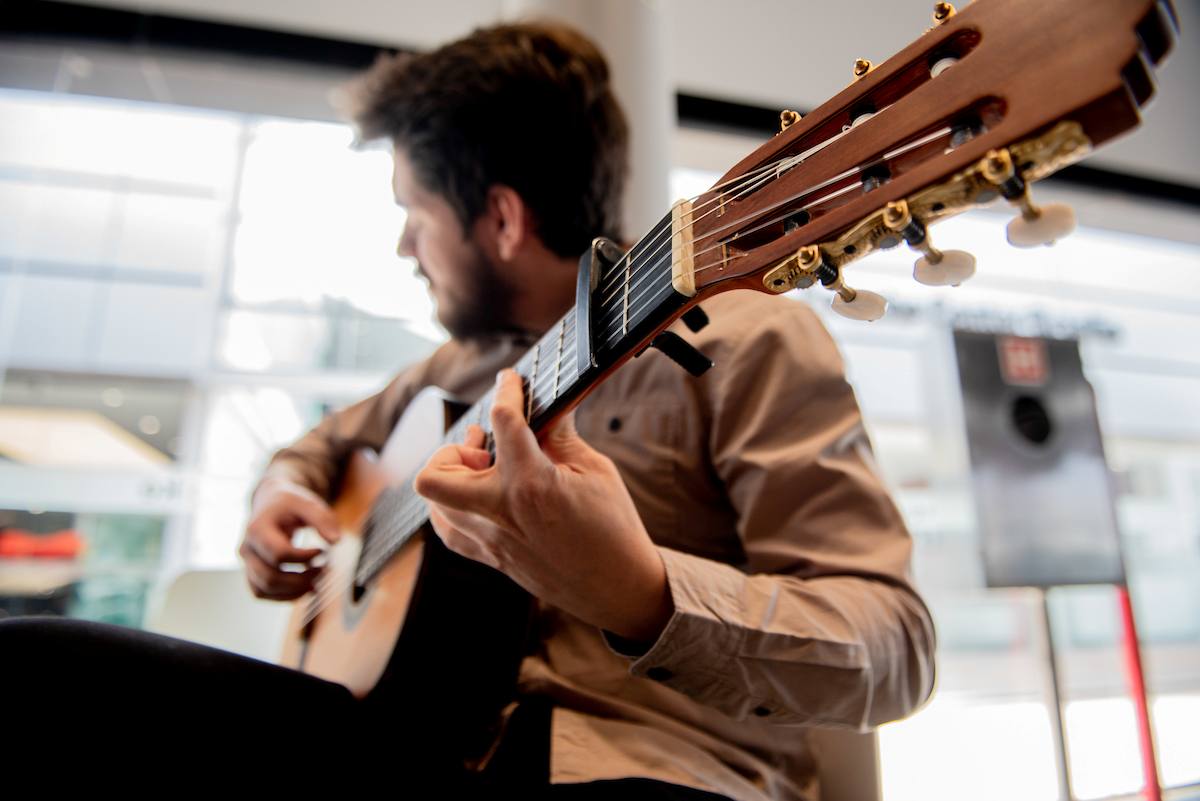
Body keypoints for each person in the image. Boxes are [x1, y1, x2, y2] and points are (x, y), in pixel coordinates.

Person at [242, 19, 936, 801]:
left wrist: (641, 591)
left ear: (501, 220)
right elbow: (317, 448)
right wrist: (278, 495)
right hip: (390, 735)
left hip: (647, 766)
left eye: (415, 211)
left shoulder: (747, 339)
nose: (406, 247)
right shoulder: (449, 370)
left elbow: (898, 648)